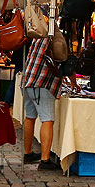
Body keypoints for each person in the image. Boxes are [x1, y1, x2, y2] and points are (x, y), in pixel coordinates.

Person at [20, 36, 61, 171]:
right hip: (42, 83)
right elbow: (64, 62)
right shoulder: (55, 38)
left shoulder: (37, 36)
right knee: (47, 120)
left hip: (27, 81)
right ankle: (45, 159)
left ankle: (28, 153)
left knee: (30, 117)